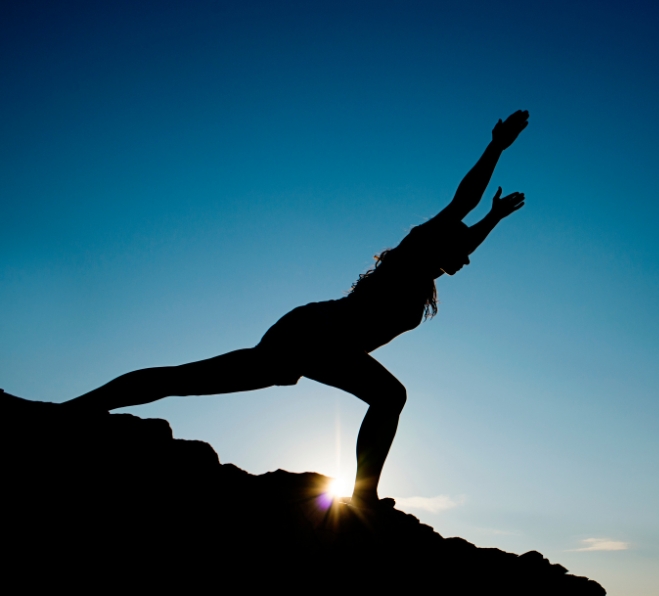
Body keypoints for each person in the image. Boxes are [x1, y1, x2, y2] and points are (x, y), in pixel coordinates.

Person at [61, 110, 530, 507]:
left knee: (191, 379)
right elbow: (463, 201)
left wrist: (493, 218)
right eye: (462, 247)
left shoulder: (428, 268)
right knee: (388, 396)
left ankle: (76, 411)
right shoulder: (418, 249)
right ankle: (364, 498)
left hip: (314, 338)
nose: (466, 256)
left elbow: (465, 238)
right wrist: (497, 148)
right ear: (441, 242)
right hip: (316, 334)